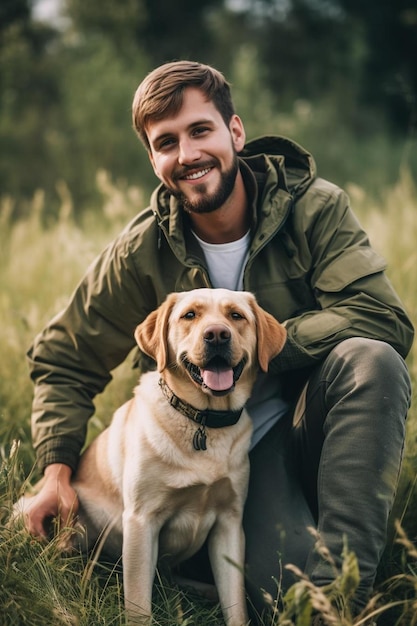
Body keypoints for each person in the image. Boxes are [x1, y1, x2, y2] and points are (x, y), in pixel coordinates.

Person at [24, 60, 413, 622]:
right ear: (153, 160)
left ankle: (345, 599)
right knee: (283, 598)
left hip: (301, 431)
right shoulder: (141, 251)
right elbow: (63, 358)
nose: (187, 154)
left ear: (235, 132)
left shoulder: (314, 208)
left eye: (200, 130)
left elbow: (383, 318)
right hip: (203, 453)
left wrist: (260, 344)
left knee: (371, 360)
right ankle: (215, 560)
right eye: (166, 143)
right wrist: (56, 471)